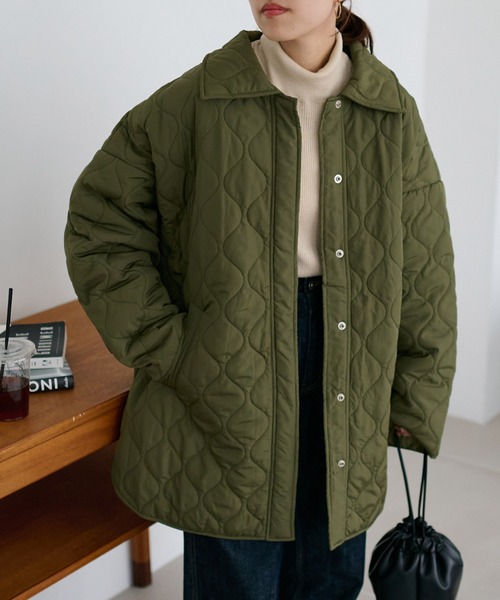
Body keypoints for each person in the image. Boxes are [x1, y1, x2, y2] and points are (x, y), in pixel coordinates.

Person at [64, 1, 457, 598]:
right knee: (237, 571)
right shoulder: (196, 99)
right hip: (227, 359)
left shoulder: (390, 110)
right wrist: (174, 348)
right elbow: (101, 224)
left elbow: (425, 267)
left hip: (351, 358)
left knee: (329, 574)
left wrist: (414, 395)